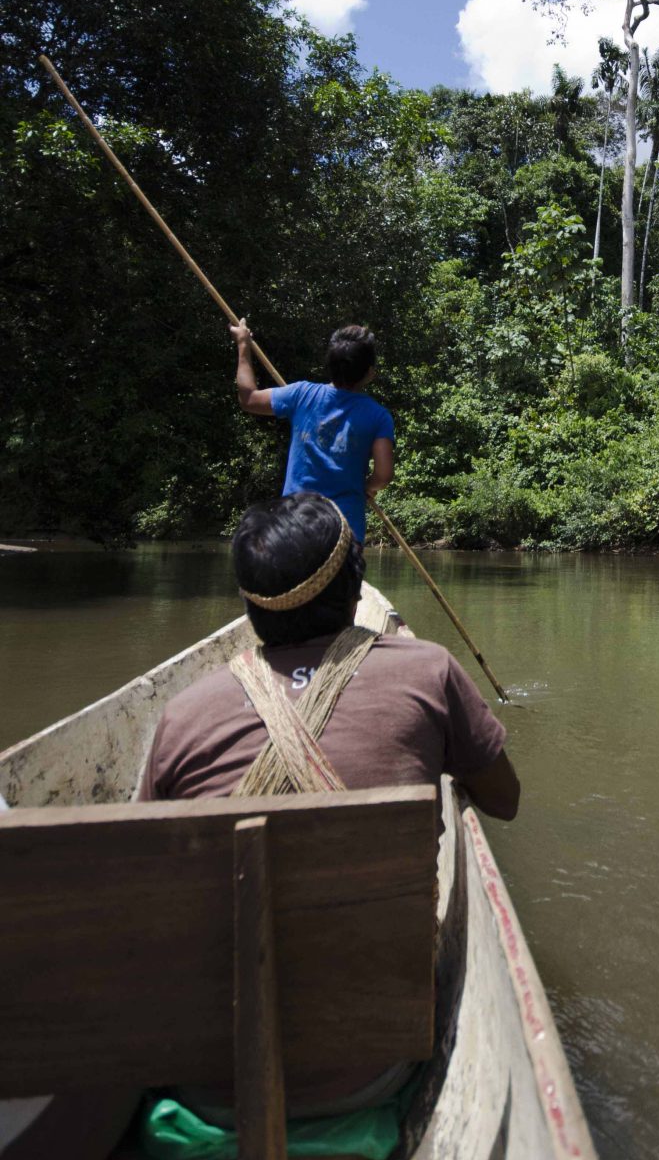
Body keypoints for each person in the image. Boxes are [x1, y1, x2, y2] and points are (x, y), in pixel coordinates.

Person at [139, 492, 520, 818]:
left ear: (249, 605)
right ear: (355, 591)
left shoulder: (182, 718)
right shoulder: (429, 671)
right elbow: (504, 801)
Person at [232, 319, 395, 543]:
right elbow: (384, 475)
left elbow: (248, 398)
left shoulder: (301, 394)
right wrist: (369, 486)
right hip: (343, 528)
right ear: (369, 373)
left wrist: (243, 346)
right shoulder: (378, 416)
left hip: (294, 524)